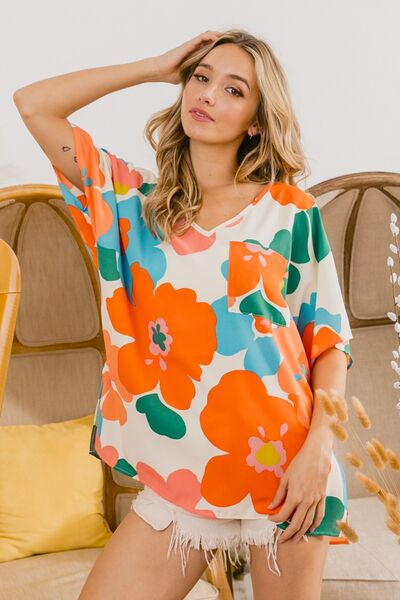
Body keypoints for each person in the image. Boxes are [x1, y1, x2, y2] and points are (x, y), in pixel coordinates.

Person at [13, 28, 354, 600]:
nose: (209, 94)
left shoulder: (289, 212)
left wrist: (319, 450)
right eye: (201, 77)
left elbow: (328, 341)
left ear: (256, 120)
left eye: (234, 89)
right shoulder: (132, 202)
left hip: (287, 470)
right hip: (182, 479)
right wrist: (154, 66)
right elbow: (33, 104)